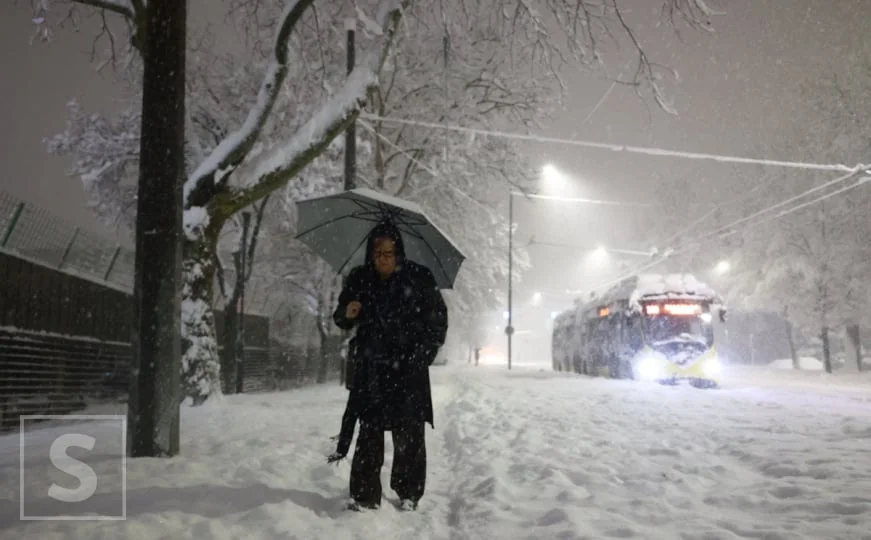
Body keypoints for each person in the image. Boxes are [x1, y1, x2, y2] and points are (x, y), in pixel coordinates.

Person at [326, 220, 448, 512]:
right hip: (373, 370)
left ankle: (409, 492)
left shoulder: (419, 279)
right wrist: (347, 311)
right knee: (369, 433)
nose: (383, 258)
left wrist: (421, 355)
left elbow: (438, 321)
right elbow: (341, 318)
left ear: (399, 253)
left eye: (389, 253)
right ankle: (365, 495)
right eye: (378, 253)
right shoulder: (359, 279)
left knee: (409, 435)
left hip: (408, 369)